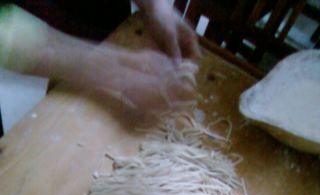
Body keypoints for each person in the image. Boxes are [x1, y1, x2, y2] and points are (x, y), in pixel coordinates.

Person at [0, 0, 200, 114]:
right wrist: (110, 70)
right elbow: (8, 36)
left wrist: (157, 7)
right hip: (43, 28)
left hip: (104, 18)